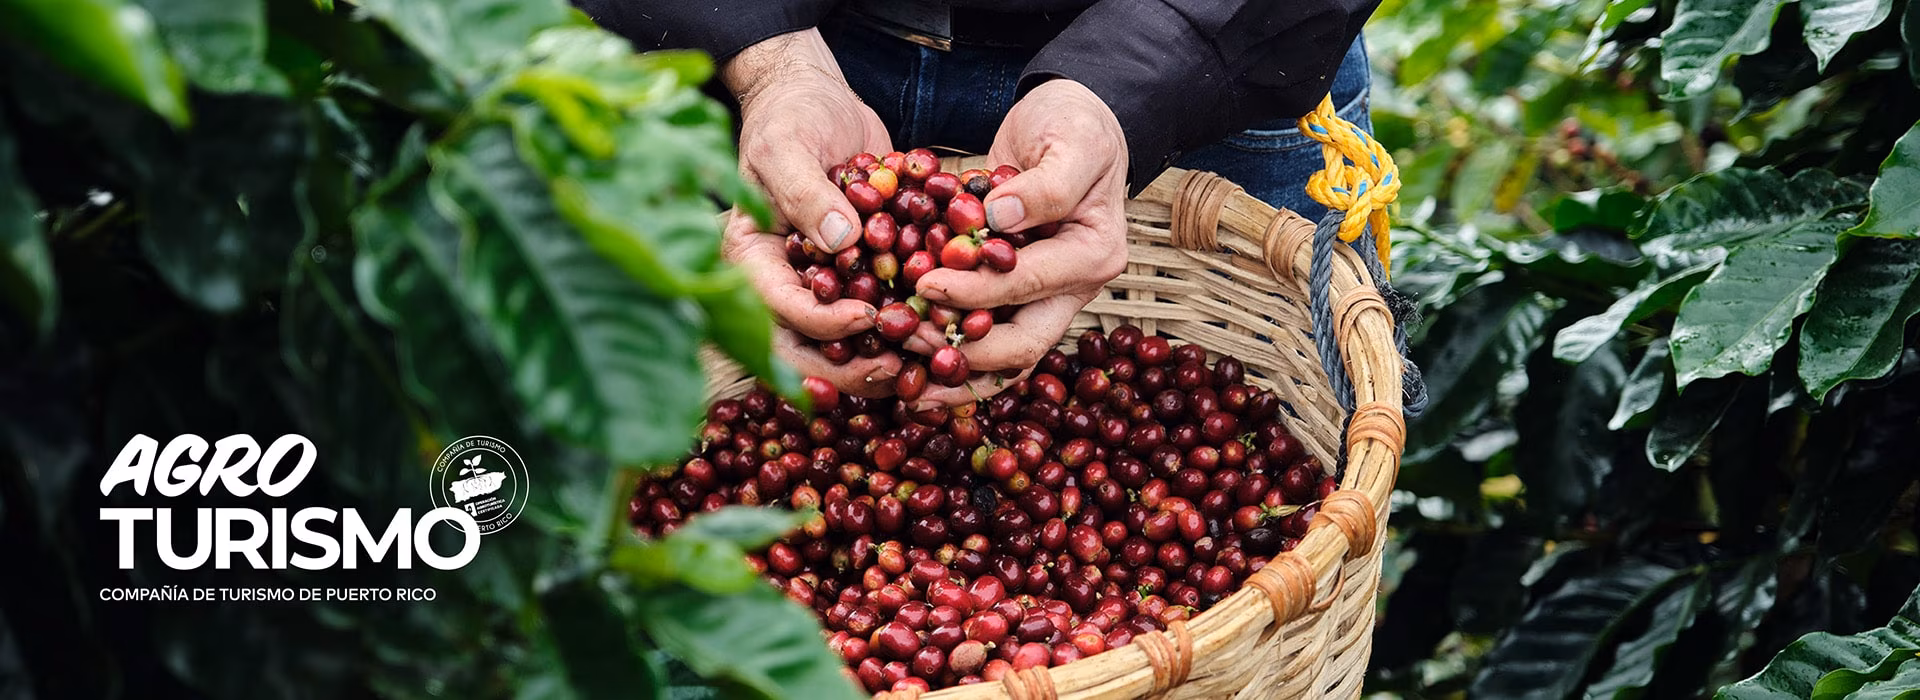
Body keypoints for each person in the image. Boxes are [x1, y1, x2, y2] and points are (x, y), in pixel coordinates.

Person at [577, 1, 1379, 405]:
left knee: (1296, 519)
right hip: (738, 43)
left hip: (1223, 65)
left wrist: (1155, 60)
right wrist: (766, 57)